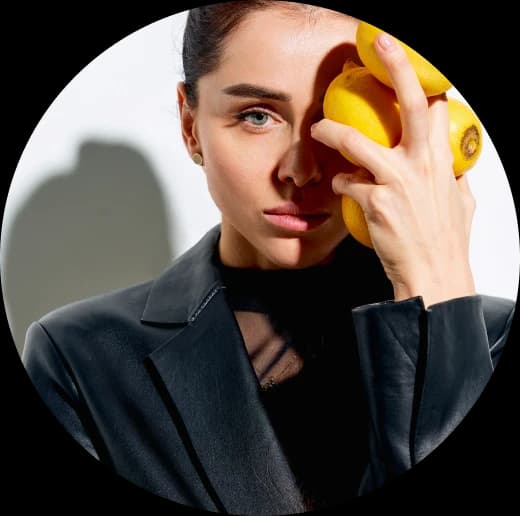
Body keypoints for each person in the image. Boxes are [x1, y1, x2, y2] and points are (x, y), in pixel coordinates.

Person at [21, 1, 515, 514]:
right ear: (191, 126)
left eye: (333, 118)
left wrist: (436, 286)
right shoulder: (83, 360)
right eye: (257, 116)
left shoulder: (489, 341)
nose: (300, 170)